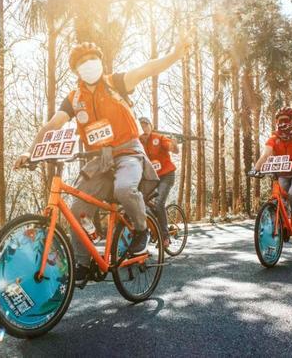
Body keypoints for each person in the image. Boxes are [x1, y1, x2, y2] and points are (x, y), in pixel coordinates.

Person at [14, 37, 191, 281]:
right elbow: (53, 125)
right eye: (83, 62)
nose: (89, 64)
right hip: (99, 162)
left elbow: (146, 69)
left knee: (124, 188)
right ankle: (84, 263)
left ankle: (141, 231)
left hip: (128, 153)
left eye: (92, 59)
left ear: (100, 61)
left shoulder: (115, 83)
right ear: (76, 69)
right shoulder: (74, 98)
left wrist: (174, 55)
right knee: (77, 209)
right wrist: (30, 151)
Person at [249, 107, 292, 238]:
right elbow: (265, 155)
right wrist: (255, 169)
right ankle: (285, 224)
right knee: (283, 198)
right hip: (283, 173)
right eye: (279, 120)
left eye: (285, 120)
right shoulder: (274, 138)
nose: (282, 123)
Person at [138, 117, 179, 248]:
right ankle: (153, 226)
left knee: (159, 202)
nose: (144, 128)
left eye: (146, 125)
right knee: (140, 200)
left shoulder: (158, 138)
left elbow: (171, 147)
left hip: (167, 175)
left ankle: (165, 236)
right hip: (152, 178)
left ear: (150, 126)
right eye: (141, 126)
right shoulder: (137, 142)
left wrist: (173, 145)